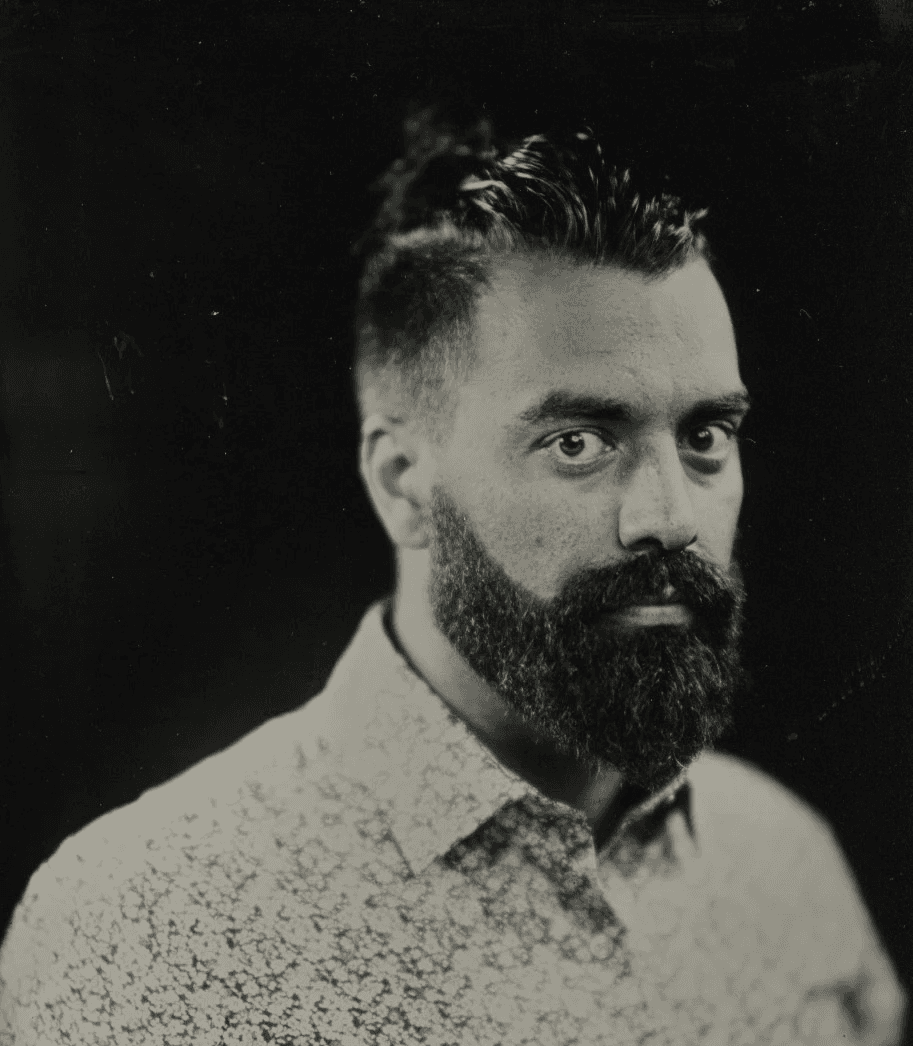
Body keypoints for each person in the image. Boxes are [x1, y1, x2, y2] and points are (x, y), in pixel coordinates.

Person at [0, 112, 906, 1046]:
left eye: (705, 435)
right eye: (578, 443)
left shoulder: (782, 864)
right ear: (402, 484)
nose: (670, 517)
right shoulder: (148, 930)